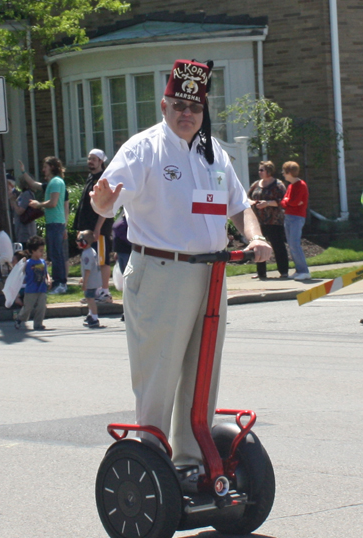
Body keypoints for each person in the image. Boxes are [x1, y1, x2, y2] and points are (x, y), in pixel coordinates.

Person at [90, 58, 272, 472]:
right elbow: (106, 200)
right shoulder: (143, 149)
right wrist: (101, 201)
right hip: (160, 273)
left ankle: (191, 463)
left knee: (202, 374)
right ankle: (150, 461)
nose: (186, 114)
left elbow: (240, 205)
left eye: (194, 108)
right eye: (178, 106)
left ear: (203, 111)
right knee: (159, 376)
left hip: (210, 274)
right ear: (163, 106)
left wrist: (256, 236)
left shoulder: (213, 153)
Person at [75, 149, 114, 303]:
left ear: (101, 162)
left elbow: (106, 206)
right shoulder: (91, 178)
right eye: (89, 159)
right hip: (88, 229)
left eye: (94, 159)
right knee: (92, 260)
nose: (90, 162)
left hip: (100, 230)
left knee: (102, 260)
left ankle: (104, 292)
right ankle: (94, 291)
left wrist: (98, 227)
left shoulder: (104, 180)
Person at [25, 157, 67, 295]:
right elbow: (34, 184)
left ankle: (60, 283)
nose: (43, 169)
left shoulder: (55, 182)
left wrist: (38, 204)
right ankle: (58, 282)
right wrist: (23, 172)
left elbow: (53, 203)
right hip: (53, 223)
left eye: (45, 166)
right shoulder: (52, 183)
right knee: (54, 254)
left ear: (52, 167)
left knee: (56, 254)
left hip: (55, 223)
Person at [247, 161, 289, 280]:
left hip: (274, 221)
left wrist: (267, 203)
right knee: (259, 245)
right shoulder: (255, 184)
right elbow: (247, 198)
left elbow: (283, 201)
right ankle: (261, 273)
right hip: (258, 221)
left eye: (262, 170)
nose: (259, 172)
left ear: (269, 171)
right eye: (259, 170)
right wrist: (254, 203)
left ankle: (284, 271)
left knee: (278, 246)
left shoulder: (278, 184)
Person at [281, 161, 311, 281]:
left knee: (294, 244)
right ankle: (299, 270)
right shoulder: (290, 186)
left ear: (289, 172)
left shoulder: (301, 185)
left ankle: (304, 271)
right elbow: (285, 202)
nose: (283, 174)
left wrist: (288, 201)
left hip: (297, 217)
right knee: (291, 244)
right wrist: (289, 201)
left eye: (284, 171)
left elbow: (293, 202)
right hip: (288, 216)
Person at [15, 235, 49, 331]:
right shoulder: (28, 263)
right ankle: (19, 318)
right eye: (40, 250)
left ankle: (38, 324)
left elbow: (46, 273)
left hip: (42, 288)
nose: (42, 252)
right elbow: (20, 274)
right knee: (28, 308)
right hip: (31, 289)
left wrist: (48, 279)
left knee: (41, 307)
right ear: (33, 251)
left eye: (43, 250)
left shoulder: (43, 262)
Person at [77, 230, 102, 329]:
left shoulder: (87, 254)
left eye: (79, 240)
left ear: (84, 242)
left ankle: (95, 318)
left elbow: (88, 270)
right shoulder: (91, 251)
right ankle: (91, 314)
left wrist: (85, 283)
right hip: (93, 280)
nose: (77, 242)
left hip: (91, 282)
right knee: (89, 298)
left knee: (90, 299)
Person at [8, 175, 37, 245]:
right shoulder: (22, 194)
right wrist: (12, 200)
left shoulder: (27, 194)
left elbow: (20, 211)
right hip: (20, 231)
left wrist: (13, 201)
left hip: (26, 232)